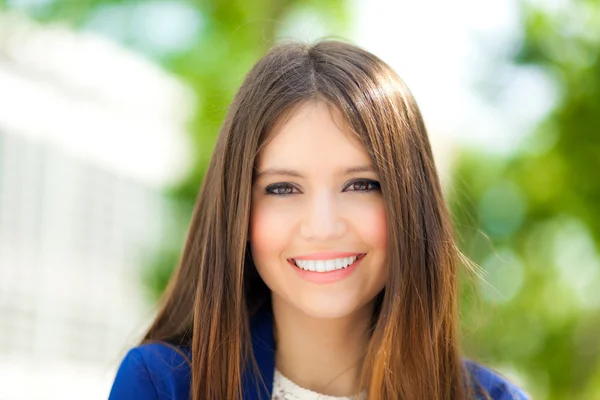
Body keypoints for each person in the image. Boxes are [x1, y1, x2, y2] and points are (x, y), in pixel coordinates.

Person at [109, 40, 529, 400]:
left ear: (409, 202)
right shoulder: (163, 385)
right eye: (283, 188)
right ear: (238, 209)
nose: (323, 227)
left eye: (361, 185)